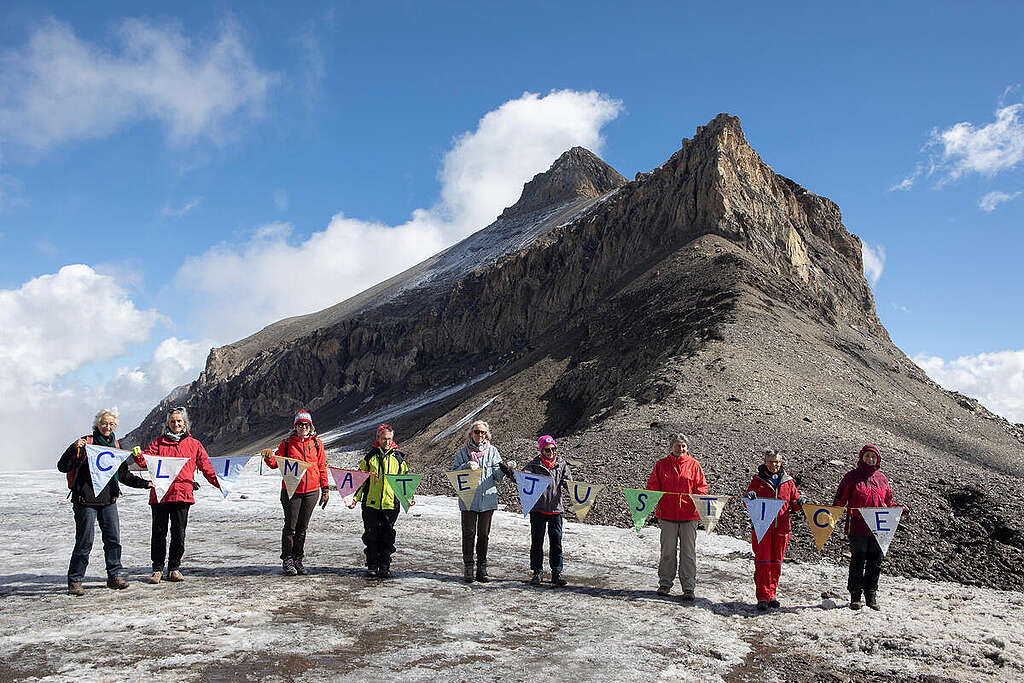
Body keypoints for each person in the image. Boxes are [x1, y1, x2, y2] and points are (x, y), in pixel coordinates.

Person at [57, 409, 153, 596]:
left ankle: (114, 575)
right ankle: (75, 580)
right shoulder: (85, 443)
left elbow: (123, 475)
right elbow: (63, 467)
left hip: (109, 500)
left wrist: (144, 483)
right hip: (85, 501)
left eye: (111, 424)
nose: (107, 427)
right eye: (104, 423)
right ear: (97, 425)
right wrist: (73, 449)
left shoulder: (116, 446)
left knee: (113, 540)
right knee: (85, 542)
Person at [134, 407, 220, 584]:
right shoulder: (158, 443)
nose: (176, 424)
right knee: (159, 532)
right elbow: (146, 461)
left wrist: (220, 483)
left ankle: (174, 567)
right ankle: (157, 569)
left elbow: (206, 467)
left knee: (178, 533)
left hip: (182, 494)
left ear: (185, 424)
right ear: (168, 424)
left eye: (179, 421)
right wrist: (138, 456)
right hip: (161, 495)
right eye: (173, 421)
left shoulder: (194, 444)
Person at [261, 410, 329, 576]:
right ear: (295, 426)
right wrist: (269, 457)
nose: (303, 427)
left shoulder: (317, 444)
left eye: (306, 424)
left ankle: (298, 558)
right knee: (290, 527)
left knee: (302, 528)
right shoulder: (287, 443)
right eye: (300, 424)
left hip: (311, 492)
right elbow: (275, 463)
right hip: (291, 491)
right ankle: (287, 559)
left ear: (310, 426)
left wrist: (325, 489)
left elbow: (321, 467)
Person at [833, 444, 898, 611]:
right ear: (861, 457)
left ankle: (871, 595)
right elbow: (840, 499)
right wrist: (832, 514)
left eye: (873, 457)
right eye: (867, 456)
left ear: (878, 459)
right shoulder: (851, 477)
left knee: (875, 561)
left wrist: (899, 508)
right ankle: (855, 595)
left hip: (880, 525)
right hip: (858, 525)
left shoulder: (882, 479)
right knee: (857, 560)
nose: (870, 459)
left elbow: (888, 501)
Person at [450, 420, 516, 583]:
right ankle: (468, 567)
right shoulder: (463, 452)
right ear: (471, 433)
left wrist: (506, 470)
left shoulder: (493, 451)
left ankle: (482, 567)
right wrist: (465, 466)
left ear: (486, 435)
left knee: (484, 535)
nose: (480, 435)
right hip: (468, 498)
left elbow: (497, 477)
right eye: (477, 432)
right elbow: (453, 473)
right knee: (468, 533)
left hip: (487, 499)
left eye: (483, 432)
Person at [646, 433, 708, 601]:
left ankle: (688, 587)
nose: (680, 448)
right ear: (670, 446)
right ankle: (665, 584)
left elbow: (702, 488)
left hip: (689, 516)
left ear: (687, 448)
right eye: (677, 445)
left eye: (683, 446)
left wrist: (699, 503)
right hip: (667, 515)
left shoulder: (694, 465)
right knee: (667, 552)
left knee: (688, 553)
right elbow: (652, 486)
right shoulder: (661, 465)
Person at [349, 424, 414, 578]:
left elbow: (404, 481)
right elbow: (361, 480)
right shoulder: (369, 457)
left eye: (389, 439)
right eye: (384, 438)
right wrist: (355, 499)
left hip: (391, 504)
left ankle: (385, 566)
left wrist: (408, 497)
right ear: (378, 439)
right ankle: (372, 565)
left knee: (388, 536)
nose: (387, 441)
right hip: (371, 503)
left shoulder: (399, 459)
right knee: (371, 535)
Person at [744, 450, 804, 611]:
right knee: (763, 561)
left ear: (781, 462)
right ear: (765, 463)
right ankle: (762, 596)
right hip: (762, 526)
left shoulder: (788, 481)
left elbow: (794, 504)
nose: (774, 465)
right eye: (770, 462)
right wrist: (749, 497)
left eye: (776, 462)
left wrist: (800, 502)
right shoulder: (758, 480)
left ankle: (772, 594)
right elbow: (747, 502)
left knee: (776, 562)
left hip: (782, 527)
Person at [524, 435, 572, 587]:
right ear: (541, 450)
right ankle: (537, 572)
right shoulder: (533, 465)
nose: (551, 452)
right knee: (537, 541)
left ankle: (556, 572)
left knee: (556, 542)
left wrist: (572, 486)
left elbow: (568, 482)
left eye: (553, 449)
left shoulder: (562, 464)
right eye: (547, 449)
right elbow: (523, 479)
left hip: (556, 510)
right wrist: (511, 473)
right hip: (538, 509)